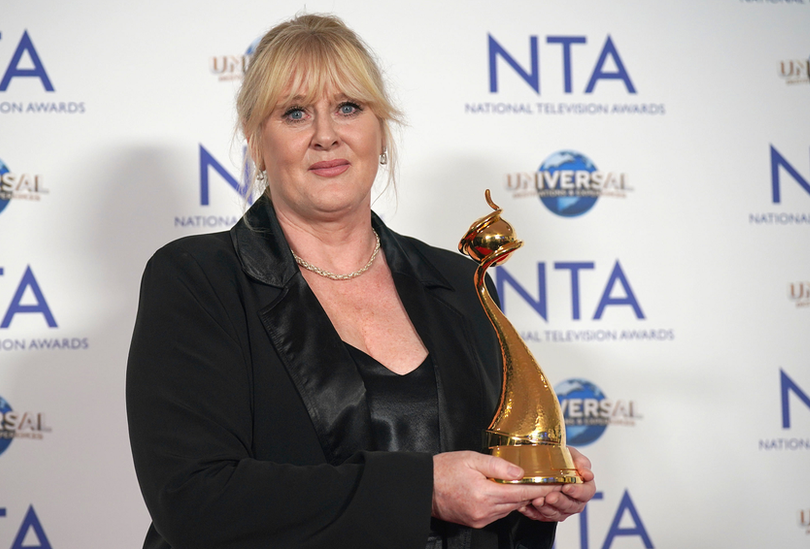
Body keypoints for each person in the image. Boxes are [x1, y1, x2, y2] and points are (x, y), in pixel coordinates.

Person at [127, 13, 595, 549]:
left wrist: (530, 491)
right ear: (258, 143)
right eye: (295, 113)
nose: (326, 135)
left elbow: (480, 478)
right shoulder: (198, 279)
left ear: (381, 132)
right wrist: (423, 490)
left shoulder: (458, 279)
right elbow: (193, 499)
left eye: (348, 107)